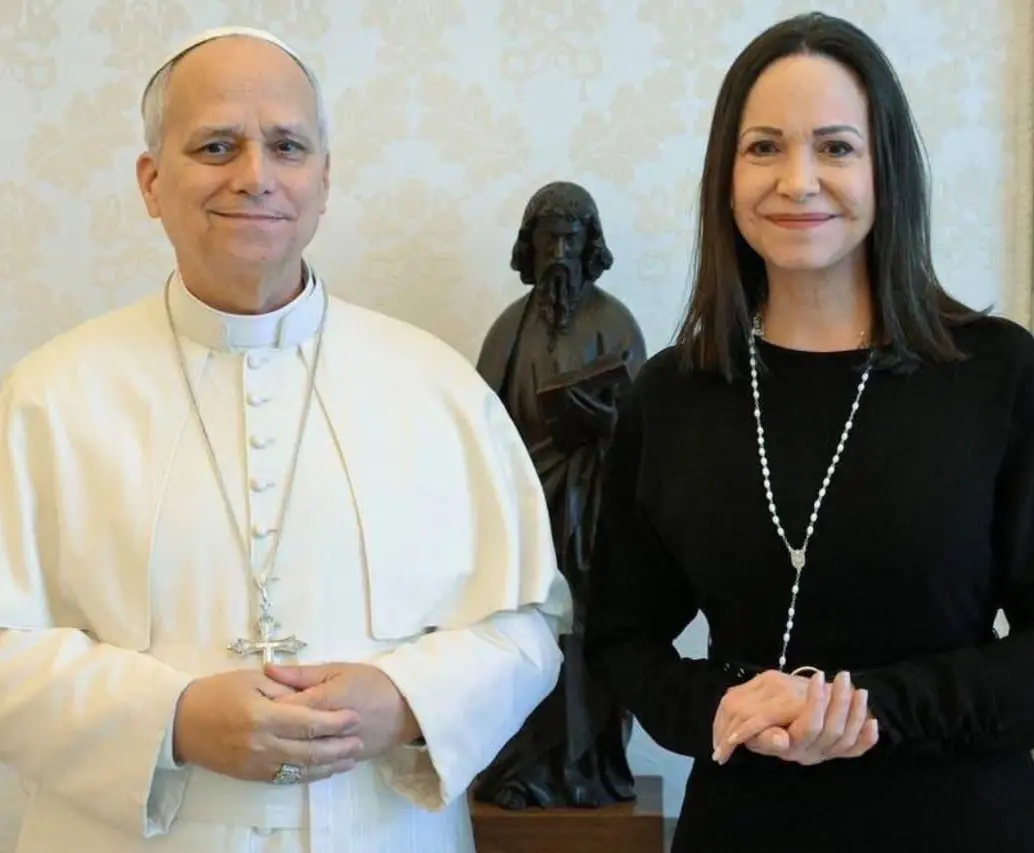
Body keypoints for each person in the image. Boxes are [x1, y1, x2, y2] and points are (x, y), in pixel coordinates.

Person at [0, 26, 570, 853]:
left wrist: (405, 697)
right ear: (152, 181)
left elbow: (528, 626)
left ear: (325, 179)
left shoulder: (437, 387)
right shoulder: (45, 398)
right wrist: (173, 719)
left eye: (287, 145)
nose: (255, 175)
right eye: (217, 145)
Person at [584, 11, 1034, 853]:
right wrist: (719, 705)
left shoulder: (998, 374)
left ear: (886, 169)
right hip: (746, 823)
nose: (797, 181)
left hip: (963, 821)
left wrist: (863, 706)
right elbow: (618, 635)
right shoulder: (672, 395)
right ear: (726, 172)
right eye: (764, 147)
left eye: (835, 147)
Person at [472, 181, 645, 809]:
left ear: (589, 245)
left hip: (594, 516)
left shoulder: (616, 323)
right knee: (525, 637)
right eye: (549, 240)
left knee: (588, 643)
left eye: (572, 240)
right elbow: (479, 423)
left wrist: (602, 424)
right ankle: (522, 770)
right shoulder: (508, 330)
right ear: (532, 246)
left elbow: (642, 429)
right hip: (524, 515)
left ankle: (588, 766)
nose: (560, 254)